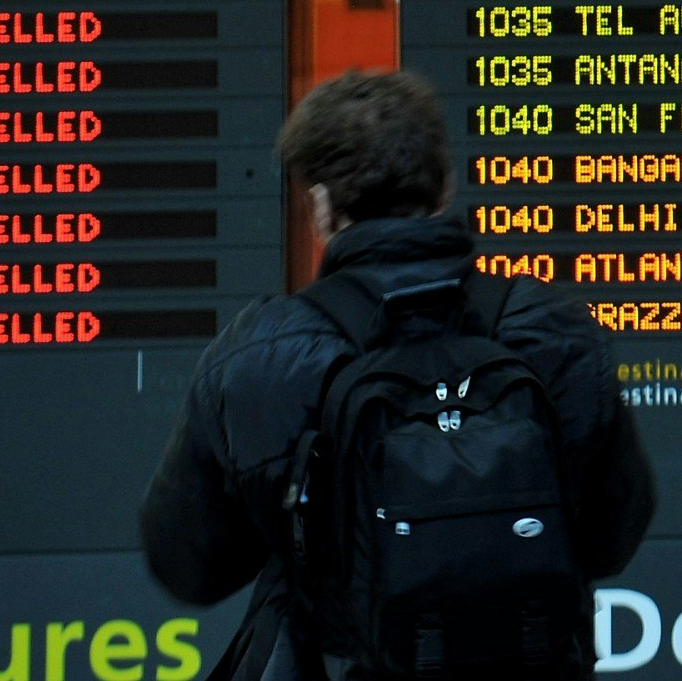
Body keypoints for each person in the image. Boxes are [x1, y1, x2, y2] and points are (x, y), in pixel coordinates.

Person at [140, 70, 655, 679]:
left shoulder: (257, 355)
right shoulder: (557, 331)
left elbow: (188, 563)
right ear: (446, 186)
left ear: (322, 207)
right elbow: (613, 534)